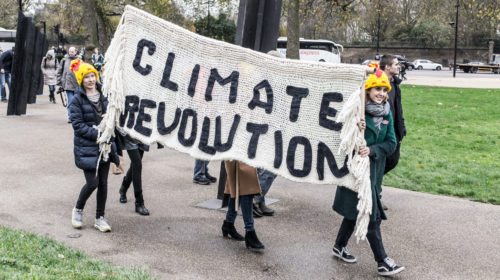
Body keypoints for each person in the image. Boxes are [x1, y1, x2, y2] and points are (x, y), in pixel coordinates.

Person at [331, 69, 404, 276]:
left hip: (374, 172)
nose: (380, 93)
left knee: (356, 211)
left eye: (383, 90)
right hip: (357, 172)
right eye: (376, 89)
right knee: (369, 213)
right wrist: (355, 128)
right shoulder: (357, 112)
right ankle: (382, 261)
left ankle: (339, 246)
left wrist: (372, 150)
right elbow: (343, 140)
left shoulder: (387, 113)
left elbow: (391, 143)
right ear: (368, 90)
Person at [69, 59, 119, 232]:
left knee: (103, 183)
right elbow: (78, 125)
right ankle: (78, 209)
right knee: (92, 183)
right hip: (87, 148)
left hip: (105, 147)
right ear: (81, 80)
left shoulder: (105, 95)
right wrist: (98, 134)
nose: (90, 80)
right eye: (87, 77)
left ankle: (99, 217)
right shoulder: (76, 100)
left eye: (92, 76)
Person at [379, 55, 406, 209]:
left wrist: (401, 127)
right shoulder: (378, 85)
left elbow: (398, 108)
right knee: (380, 163)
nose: (399, 66)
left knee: (392, 160)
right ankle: (375, 196)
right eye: (396, 64)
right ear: (387, 67)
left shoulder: (395, 84)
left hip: (394, 131)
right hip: (382, 132)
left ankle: (372, 188)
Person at [222, 161, 264, 251]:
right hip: (237, 151)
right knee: (246, 185)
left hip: (244, 151)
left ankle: (228, 224)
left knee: (237, 186)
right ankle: (250, 231)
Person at [117, 131, 150, 216]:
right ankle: (139, 202)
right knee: (137, 164)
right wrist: (124, 133)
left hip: (143, 134)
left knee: (135, 166)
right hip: (128, 134)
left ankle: (123, 189)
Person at [57, 47, 78, 122]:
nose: (71, 53)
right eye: (70, 51)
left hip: (76, 84)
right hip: (67, 84)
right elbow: (59, 71)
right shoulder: (64, 60)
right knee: (71, 101)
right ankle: (70, 116)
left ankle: (76, 116)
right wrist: (59, 83)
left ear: (75, 52)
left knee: (77, 102)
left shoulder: (79, 61)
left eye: (72, 51)